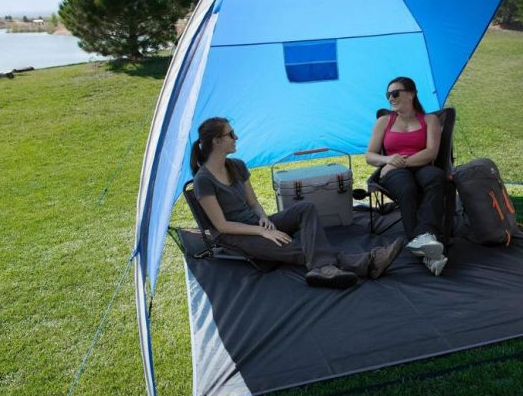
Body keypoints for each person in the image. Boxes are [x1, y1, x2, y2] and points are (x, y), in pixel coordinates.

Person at [192, 117, 405, 289]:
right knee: (295, 247)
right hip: (234, 235)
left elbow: (253, 202)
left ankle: (321, 268)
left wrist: (264, 219)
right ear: (216, 141)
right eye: (230, 134)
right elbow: (221, 226)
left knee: (306, 208)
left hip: (254, 224)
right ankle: (367, 263)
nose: (236, 137)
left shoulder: (236, 165)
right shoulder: (204, 180)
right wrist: (261, 232)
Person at [365, 77, 448, 276]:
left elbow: (431, 153)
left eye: (395, 93)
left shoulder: (430, 120)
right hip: (396, 172)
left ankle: (423, 241)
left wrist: (398, 163)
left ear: (411, 93)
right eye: (388, 95)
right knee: (407, 187)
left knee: (436, 177)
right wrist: (388, 160)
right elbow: (369, 155)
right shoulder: (384, 121)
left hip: (420, 165)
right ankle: (426, 245)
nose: (391, 98)